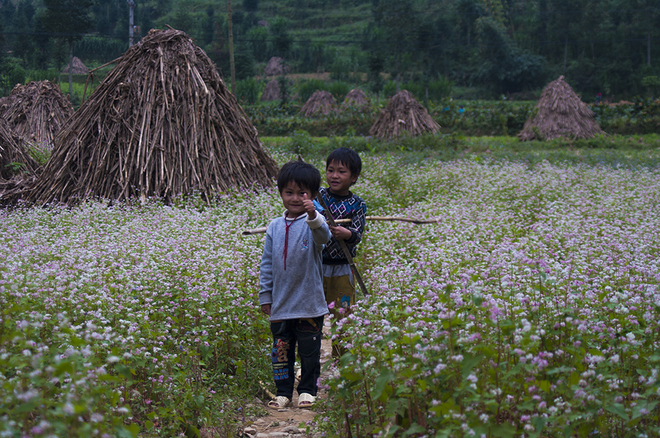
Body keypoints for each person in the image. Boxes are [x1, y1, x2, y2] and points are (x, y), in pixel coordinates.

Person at [259, 160, 331, 410]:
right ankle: (282, 392)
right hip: (281, 304)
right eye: (289, 192)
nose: (295, 198)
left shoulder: (314, 222)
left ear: (312, 195)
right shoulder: (274, 226)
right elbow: (266, 264)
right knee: (281, 351)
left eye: (302, 193)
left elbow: (324, 237)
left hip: (309, 303)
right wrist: (265, 296)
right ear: (280, 193)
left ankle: (308, 391)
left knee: (310, 351)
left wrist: (313, 215)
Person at [318, 147, 367, 357]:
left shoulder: (358, 204)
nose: (334, 175)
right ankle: (308, 361)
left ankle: (341, 361)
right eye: (330, 170)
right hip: (317, 267)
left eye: (341, 171)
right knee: (312, 315)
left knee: (343, 315)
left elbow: (358, 234)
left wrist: (346, 233)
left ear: (354, 177)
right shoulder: (318, 197)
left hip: (343, 267)